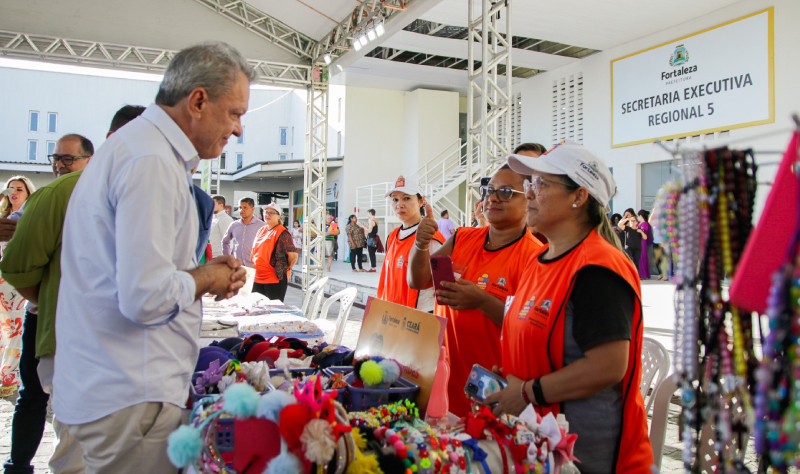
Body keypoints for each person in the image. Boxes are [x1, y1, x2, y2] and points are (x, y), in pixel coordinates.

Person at [53, 41, 251, 474]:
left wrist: (202, 274)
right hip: (130, 392)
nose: (238, 130)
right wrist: (207, 280)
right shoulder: (152, 161)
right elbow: (144, 296)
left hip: (115, 387)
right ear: (198, 100)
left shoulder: (141, 148)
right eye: (234, 112)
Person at [484, 142, 654, 473]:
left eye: (540, 184)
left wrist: (528, 391)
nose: (528, 193)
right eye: (529, 184)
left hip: (584, 454)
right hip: (535, 443)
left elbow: (607, 366)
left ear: (579, 197)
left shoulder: (598, 268)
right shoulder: (539, 260)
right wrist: (511, 380)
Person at [408, 165, 543, 417]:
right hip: (441, 377)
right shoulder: (462, 238)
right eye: (489, 190)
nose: (491, 198)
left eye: (505, 192)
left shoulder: (535, 256)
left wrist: (481, 301)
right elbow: (417, 279)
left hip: (489, 389)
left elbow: (532, 331)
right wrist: (420, 243)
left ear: (528, 199)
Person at [2, 134, 96, 474]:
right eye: (55, 158)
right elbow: (16, 262)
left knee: (68, 411)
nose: (59, 165)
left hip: (73, 319)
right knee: (32, 396)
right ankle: (19, 465)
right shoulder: (45, 197)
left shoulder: (96, 197)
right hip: (42, 314)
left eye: (68, 159)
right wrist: (47, 299)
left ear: (89, 159)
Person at [377, 175, 445, 312]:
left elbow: (445, 285)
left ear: (421, 202)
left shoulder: (431, 237)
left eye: (406, 198)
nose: (399, 205)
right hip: (392, 316)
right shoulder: (392, 236)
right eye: (395, 199)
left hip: (418, 318)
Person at [251, 202, 298, 301]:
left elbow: (293, 256)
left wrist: (283, 268)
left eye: (272, 213)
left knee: (272, 310)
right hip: (257, 277)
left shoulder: (282, 232)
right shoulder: (261, 230)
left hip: (273, 279)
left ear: (279, 216)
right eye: (266, 212)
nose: (268, 215)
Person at [222, 197, 265, 267]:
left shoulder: (262, 226)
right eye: (240, 207)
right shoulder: (234, 225)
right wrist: (228, 258)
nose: (242, 210)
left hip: (254, 267)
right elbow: (225, 241)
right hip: (237, 266)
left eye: (245, 207)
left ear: (252, 209)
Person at [637, 209, 654, 280]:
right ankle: (639, 273)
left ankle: (644, 274)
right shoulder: (638, 223)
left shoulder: (645, 224)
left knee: (643, 257)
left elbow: (645, 234)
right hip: (637, 241)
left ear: (640, 216)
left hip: (643, 242)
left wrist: (640, 231)